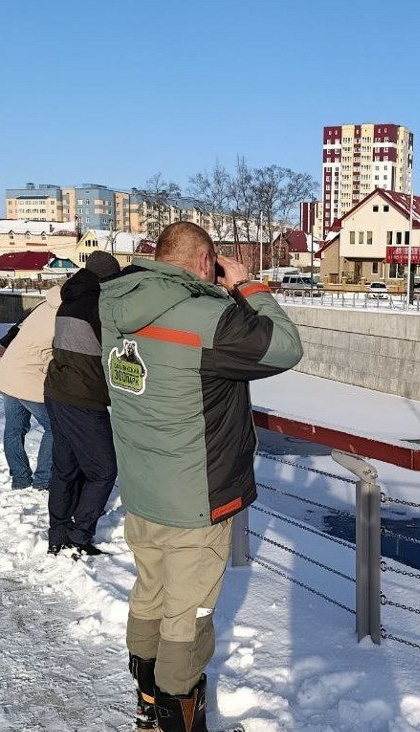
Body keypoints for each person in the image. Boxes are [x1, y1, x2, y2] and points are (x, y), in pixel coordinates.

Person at [100, 222, 302, 732]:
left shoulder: (114, 305)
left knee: (150, 594)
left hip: (143, 490)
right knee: (187, 617)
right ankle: (176, 715)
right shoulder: (204, 317)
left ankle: (147, 700)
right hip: (195, 497)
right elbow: (283, 346)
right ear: (204, 259)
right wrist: (247, 286)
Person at [43, 249, 122, 558]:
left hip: (56, 391)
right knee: (104, 470)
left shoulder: (68, 301)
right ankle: (79, 535)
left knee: (65, 469)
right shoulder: (98, 305)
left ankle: (57, 534)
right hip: (83, 397)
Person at [0, 286, 61, 490]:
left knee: (13, 429)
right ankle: (43, 479)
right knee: (55, 428)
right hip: (28, 376)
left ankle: (20, 479)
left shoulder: (43, 304)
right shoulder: (64, 316)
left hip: (9, 372)